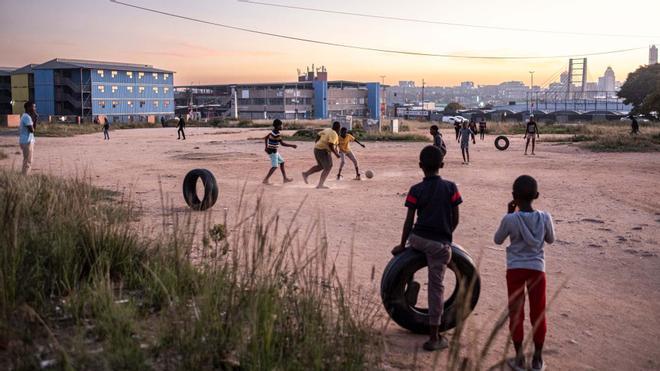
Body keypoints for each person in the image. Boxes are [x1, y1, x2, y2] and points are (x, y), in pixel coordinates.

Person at [391, 145, 462, 352]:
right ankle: (434, 337)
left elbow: (408, 221)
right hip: (439, 243)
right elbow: (455, 218)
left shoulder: (415, 190)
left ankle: (410, 281)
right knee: (436, 287)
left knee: (408, 261)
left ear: (420, 166)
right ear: (442, 165)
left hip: (418, 238)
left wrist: (402, 245)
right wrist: (446, 237)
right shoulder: (451, 188)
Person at [494, 175, 555, 371]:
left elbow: (497, 240)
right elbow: (550, 239)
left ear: (513, 196)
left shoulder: (510, 219)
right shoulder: (545, 217)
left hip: (515, 269)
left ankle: (519, 358)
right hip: (537, 269)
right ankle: (537, 359)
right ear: (536, 195)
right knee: (538, 313)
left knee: (516, 313)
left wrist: (509, 214)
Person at [302, 121, 340, 189]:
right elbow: (330, 145)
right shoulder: (334, 134)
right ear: (338, 128)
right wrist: (336, 154)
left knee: (321, 166)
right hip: (323, 150)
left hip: (317, 149)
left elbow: (318, 134)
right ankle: (320, 184)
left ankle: (306, 174)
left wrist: (316, 142)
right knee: (328, 167)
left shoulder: (327, 129)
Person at [262, 119, 297, 184]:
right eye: (281, 125)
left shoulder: (272, 132)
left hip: (274, 151)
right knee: (274, 166)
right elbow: (283, 144)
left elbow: (266, 138)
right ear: (278, 126)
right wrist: (292, 146)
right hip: (273, 152)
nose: (282, 126)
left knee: (282, 162)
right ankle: (265, 180)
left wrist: (266, 147)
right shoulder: (277, 134)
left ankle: (285, 179)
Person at [19, 101, 37, 175]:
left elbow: (33, 129)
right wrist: (34, 118)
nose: (35, 108)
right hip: (27, 141)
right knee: (28, 161)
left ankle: (24, 175)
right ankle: (25, 177)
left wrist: (35, 118)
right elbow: (32, 130)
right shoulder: (27, 117)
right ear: (28, 107)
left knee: (27, 160)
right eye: (33, 107)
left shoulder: (26, 116)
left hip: (26, 141)